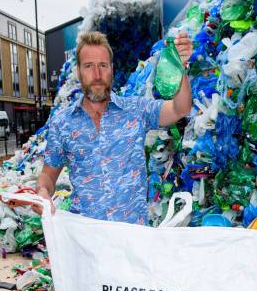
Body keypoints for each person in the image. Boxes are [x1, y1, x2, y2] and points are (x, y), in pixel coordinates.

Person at [35, 31, 193, 223]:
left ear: (112, 68)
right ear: (78, 70)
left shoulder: (136, 110)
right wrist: (42, 192)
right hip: (87, 239)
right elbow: (48, 175)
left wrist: (180, 66)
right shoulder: (62, 122)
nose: (97, 74)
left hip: (132, 238)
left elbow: (180, 108)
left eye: (103, 65)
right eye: (88, 66)